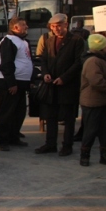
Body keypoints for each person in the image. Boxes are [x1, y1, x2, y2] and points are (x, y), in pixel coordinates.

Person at [35, 13, 85, 157]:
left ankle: (67, 145)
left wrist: (64, 78)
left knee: (68, 118)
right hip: (51, 85)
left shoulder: (76, 41)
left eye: (58, 26)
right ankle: (50, 144)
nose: (56, 29)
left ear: (66, 25)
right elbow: (43, 59)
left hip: (68, 86)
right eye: (53, 26)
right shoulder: (49, 40)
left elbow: (78, 63)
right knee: (50, 116)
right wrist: (45, 74)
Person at [0, 17, 32, 151]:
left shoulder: (24, 42)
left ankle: (13, 136)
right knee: (7, 112)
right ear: (15, 28)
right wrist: (11, 83)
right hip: (9, 83)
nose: (26, 27)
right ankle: (2, 140)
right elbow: (6, 64)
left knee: (19, 112)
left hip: (22, 83)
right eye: (23, 25)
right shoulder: (8, 41)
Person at [79, 34, 106, 167]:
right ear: (101, 46)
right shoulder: (93, 61)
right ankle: (85, 156)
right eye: (105, 45)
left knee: (104, 130)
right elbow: (96, 82)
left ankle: (105, 156)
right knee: (91, 130)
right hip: (92, 102)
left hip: (99, 101)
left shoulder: (99, 59)